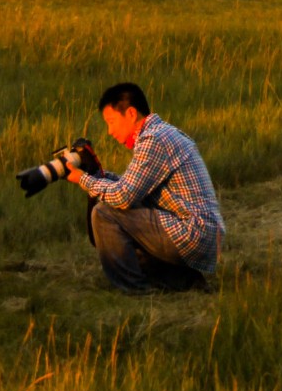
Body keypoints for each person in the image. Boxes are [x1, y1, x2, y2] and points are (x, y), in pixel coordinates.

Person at [67, 82, 225, 294]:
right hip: (202, 233)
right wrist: (96, 175)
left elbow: (123, 196)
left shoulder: (153, 140)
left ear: (131, 113)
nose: (110, 131)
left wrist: (83, 180)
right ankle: (180, 279)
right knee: (122, 207)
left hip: (192, 232)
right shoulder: (162, 133)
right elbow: (132, 187)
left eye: (111, 122)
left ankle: (134, 289)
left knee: (104, 213)